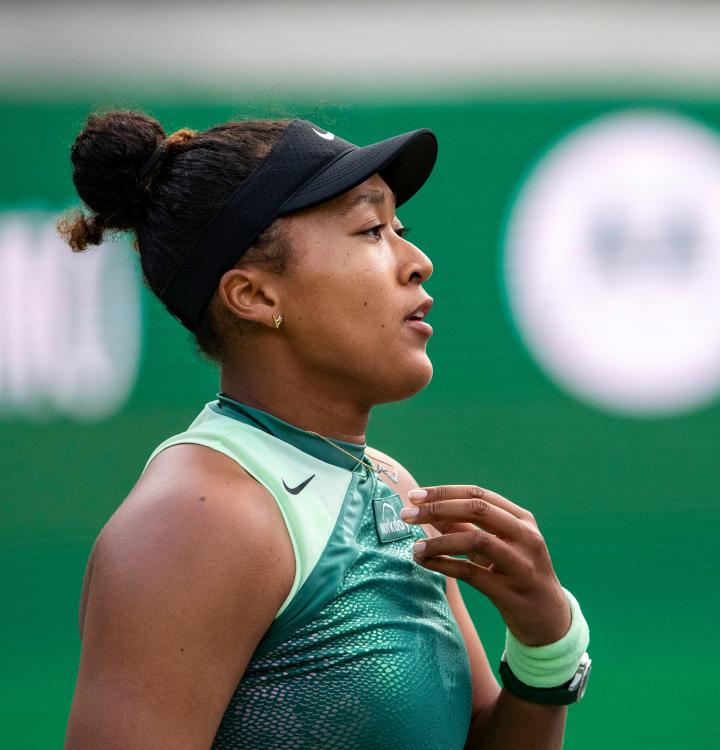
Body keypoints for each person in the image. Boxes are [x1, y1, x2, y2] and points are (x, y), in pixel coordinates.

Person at [60, 110, 591, 749]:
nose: (418, 261)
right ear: (253, 295)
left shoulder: (393, 487)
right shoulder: (195, 522)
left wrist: (546, 650)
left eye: (401, 227)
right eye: (371, 229)